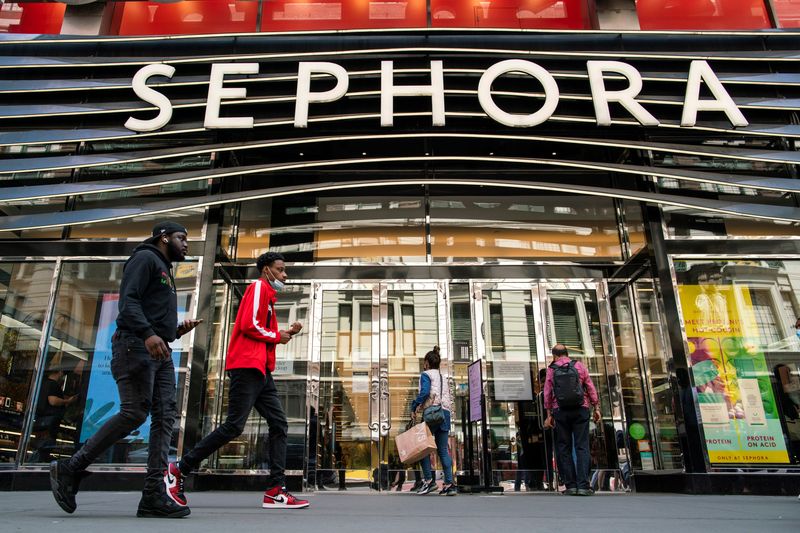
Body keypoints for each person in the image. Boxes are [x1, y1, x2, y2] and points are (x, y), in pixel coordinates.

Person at [50, 221, 202, 518]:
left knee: (164, 417)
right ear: (163, 237)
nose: (186, 244)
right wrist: (148, 334)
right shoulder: (145, 258)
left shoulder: (164, 268)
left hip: (157, 350)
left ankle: (153, 495)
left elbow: (146, 310)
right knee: (134, 412)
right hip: (135, 346)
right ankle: (71, 468)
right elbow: (128, 302)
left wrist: (172, 331)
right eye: (182, 238)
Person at [165, 252, 309, 510]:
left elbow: (261, 330)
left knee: (279, 423)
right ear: (266, 270)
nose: (284, 275)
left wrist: (284, 333)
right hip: (246, 367)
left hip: (260, 370)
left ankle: (276, 490)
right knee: (234, 426)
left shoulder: (268, 297)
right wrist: (278, 335)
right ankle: (179, 469)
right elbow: (248, 325)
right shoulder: (258, 288)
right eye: (280, 269)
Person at [543, 344, 600, 496]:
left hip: (560, 410)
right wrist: (596, 407)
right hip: (581, 409)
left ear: (555, 355)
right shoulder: (579, 366)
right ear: (567, 353)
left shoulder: (552, 369)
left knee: (564, 447)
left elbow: (547, 393)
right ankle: (583, 485)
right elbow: (590, 387)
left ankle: (571, 485)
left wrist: (549, 414)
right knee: (582, 446)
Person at [410, 346, 456, 496]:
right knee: (442, 450)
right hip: (445, 414)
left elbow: (425, 392)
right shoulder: (443, 377)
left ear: (427, 363)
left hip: (431, 414)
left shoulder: (425, 375)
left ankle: (429, 481)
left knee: (423, 448)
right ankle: (449, 484)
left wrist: (415, 405)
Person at [32, 365, 77, 462]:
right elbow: (53, 401)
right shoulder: (53, 385)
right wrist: (68, 401)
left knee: (39, 449)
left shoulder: (43, 383)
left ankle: (32, 467)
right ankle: (33, 469)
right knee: (43, 450)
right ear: (60, 372)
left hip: (40, 421)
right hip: (50, 423)